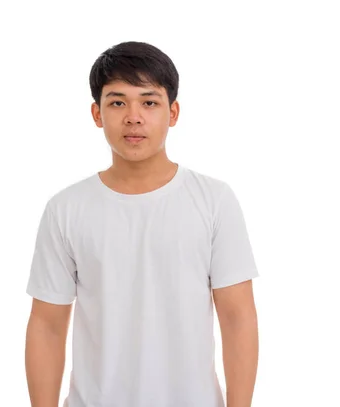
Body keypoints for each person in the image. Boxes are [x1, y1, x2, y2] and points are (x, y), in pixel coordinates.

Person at [24, 41, 260, 407]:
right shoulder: (65, 209)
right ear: (96, 113)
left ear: (173, 112)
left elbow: (238, 317)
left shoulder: (214, 200)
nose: (133, 116)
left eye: (149, 102)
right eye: (117, 102)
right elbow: (47, 325)